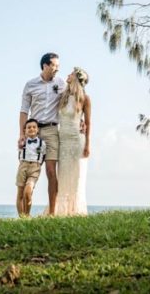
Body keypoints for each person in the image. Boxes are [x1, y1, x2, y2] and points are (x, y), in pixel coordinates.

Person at [19, 52, 65, 215]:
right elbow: (24, 111)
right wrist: (22, 134)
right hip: (34, 132)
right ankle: (24, 214)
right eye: (54, 65)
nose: (57, 69)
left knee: (51, 171)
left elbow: (71, 102)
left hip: (52, 131)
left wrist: (81, 120)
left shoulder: (61, 84)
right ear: (45, 66)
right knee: (28, 171)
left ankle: (52, 212)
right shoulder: (30, 84)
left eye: (58, 66)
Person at [53, 67, 91, 216]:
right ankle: (61, 211)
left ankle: (76, 211)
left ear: (76, 78)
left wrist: (88, 144)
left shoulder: (85, 99)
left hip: (77, 141)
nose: (67, 75)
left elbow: (88, 123)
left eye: (71, 74)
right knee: (62, 177)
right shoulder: (63, 96)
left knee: (77, 177)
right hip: (63, 141)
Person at [15, 118, 46, 217]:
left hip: (35, 167)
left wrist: (38, 164)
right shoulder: (22, 142)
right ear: (25, 130)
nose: (31, 129)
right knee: (20, 193)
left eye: (34, 127)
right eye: (29, 127)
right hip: (23, 167)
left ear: (37, 130)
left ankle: (27, 215)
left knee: (28, 192)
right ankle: (22, 217)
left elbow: (43, 155)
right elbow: (19, 154)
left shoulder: (42, 143)